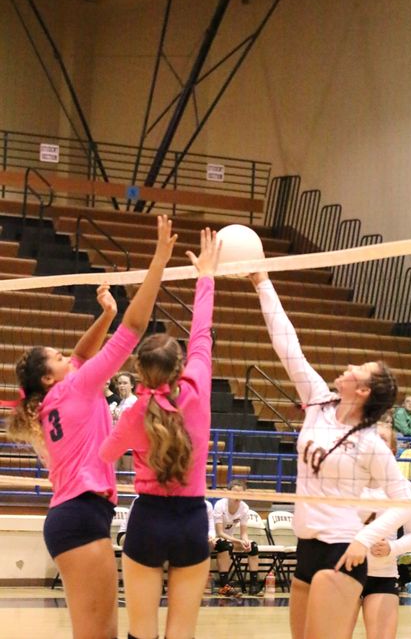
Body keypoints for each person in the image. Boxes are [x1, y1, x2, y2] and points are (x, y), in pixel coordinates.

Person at [7, 214, 177, 639]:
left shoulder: (52, 401)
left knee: (96, 633)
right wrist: (159, 261)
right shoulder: (78, 387)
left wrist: (104, 315)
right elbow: (135, 329)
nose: (71, 358)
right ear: (50, 378)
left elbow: (81, 356)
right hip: (81, 515)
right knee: (99, 635)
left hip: (73, 516)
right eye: (59, 359)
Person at [250, 271, 411, 639]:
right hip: (306, 545)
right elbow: (286, 344)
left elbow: (407, 501)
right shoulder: (319, 401)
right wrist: (262, 281)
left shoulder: (371, 442)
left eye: (362, 369)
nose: (351, 367)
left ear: (364, 390)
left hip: (342, 549)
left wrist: (363, 539)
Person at [99, 227, 220, 639]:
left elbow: (104, 456)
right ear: (180, 364)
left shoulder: (133, 412)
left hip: (148, 519)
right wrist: (207, 275)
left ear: (139, 371)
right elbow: (202, 332)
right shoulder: (199, 386)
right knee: (181, 633)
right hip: (191, 521)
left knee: (141, 632)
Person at [361, 424, 411, 639]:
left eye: (384, 439)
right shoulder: (348, 482)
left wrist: (392, 548)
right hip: (344, 575)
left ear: (392, 449)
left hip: (382, 575)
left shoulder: (404, 489)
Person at [213, 479, 263, 597]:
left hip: (230, 539)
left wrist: (245, 541)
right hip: (214, 539)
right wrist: (239, 541)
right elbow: (220, 533)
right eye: (235, 492)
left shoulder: (244, 508)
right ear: (228, 492)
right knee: (226, 545)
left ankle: (254, 585)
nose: (237, 496)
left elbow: (243, 533)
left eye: (241, 493)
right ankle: (224, 585)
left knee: (253, 546)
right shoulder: (220, 505)